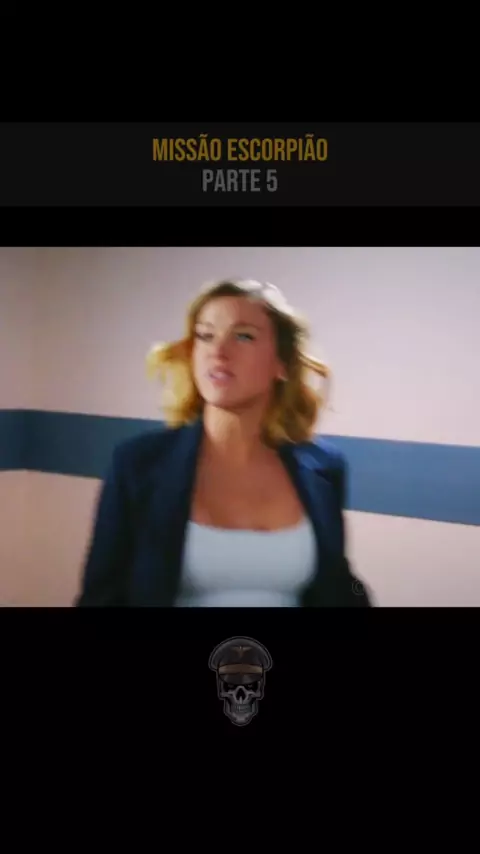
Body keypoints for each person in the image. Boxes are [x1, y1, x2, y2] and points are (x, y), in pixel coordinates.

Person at [75, 278, 373, 607]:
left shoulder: (324, 468)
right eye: (206, 335)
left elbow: (337, 586)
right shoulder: (139, 464)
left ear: (282, 363)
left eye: (243, 336)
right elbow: (101, 600)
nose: (218, 352)